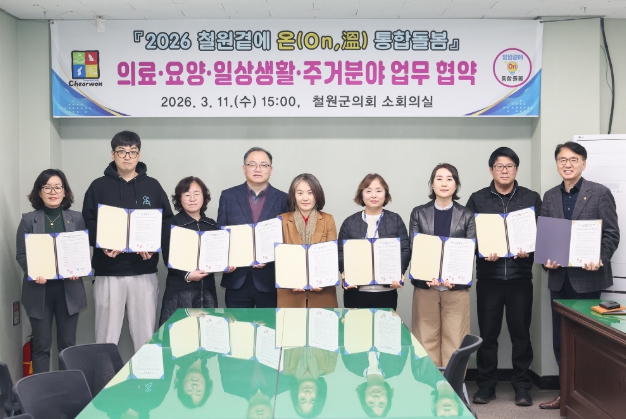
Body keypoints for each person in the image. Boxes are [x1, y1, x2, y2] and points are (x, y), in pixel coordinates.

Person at [538, 141, 620, 410]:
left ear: (583, 163)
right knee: (560, 340)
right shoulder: (550, 196)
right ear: (557, 164)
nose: (567, 164)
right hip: (558, 279)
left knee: (588, 341)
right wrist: (546, 262)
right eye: (562, 160)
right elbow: (545, 237)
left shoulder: (599, 193)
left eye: (573, 159)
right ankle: (565, 395)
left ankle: (589, 398)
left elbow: (611, 234)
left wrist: (599, 258)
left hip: (588, 279)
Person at [82, 131, 173, 353]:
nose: (127, 156)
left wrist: (152, 247)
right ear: (113, 154)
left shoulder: (152, 186)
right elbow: (87, 222)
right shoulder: (98, 186)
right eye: (121, 151)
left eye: (132, 152)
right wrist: (103, 243)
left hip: (144, 271)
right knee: (105, 339)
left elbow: (166, 222)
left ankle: (145, 377)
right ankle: (104, 377)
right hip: (108, 272)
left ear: (139, 155)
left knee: (146, 338)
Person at [465, 147, 541, 407]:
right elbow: (468, 236)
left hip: (521, 278)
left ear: (516, 169)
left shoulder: (531, 198)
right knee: (488, 335)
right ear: (491, 170)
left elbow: (541, 235)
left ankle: (522, 386)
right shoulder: (477, 199)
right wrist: (483, 250)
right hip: (489, 278)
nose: (505, 170)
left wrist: (529, 249)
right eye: (499, 166)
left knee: (521, 334)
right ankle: (486, 386)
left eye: (509, 166)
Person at [16, 169, 87, 373]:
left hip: (69, 290)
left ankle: (66, 388)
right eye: (47, 187)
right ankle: (42, 390)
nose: (53, 191)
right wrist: (34, 271)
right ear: (39, 192)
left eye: (57, 187)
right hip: (39, 291)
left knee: (67, 345)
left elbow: (81, 252)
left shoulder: (76, 218)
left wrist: (78, 269)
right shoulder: (28, 220)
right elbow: (21, 254)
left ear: (65, 192)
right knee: (41, 346)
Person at [409, 163, 476, 368]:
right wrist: (426, 275)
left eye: (449, 179)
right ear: (432, 184)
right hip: (426, 287)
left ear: (456, 185)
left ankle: (452, 386)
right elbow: (415, 248)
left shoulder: (467, 214)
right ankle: (429, 385)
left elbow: (469, 250)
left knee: (455, 341)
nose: (444, 183)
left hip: (455, 288)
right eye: (439, 178)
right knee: (425, 339)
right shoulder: (419, 213)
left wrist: (454, 277)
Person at [216, 147, 288, 308]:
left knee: (269, 324)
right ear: (244, 168)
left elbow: (287, 240)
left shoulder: (284, 199)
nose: (258, 169)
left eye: (263, 165)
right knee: (237, 324)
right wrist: (224, 261)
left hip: (270, 280)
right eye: (252, 164)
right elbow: (220, 234)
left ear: (270, 169)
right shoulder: (228, 196)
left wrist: (270, 257)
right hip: (236, 279)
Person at [338, 174, 410, 310]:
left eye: (378, 190)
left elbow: (404, 250)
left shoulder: (395, 220)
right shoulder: (349, 222)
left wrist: (398, 273)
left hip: (386, 291)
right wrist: (345, 271)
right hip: (356, 291)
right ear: (361, 194)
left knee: (385, 324)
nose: (374, 195)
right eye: (368, 191)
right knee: (356, 324)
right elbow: (341, 252)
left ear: (385, 194)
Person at [159, 176, 218, 326]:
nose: (192, 199)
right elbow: (167, 257)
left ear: (204, 197)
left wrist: (226, 264)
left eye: (197, 194)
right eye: (186, 195)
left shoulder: (212, 225)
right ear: (180, 199)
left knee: (207, 333)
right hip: (180, 290)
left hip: (207, 291)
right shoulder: (172, 224)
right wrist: (187, 275)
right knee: (180, 334)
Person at [278, 173, 338, 308]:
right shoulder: (282, 220)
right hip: (290, 290)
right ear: (293, 196)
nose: (305, 198)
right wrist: (290, 281)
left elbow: (330, 256)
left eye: (310, 193)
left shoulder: (328, 219)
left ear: (317, 195)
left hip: (322, 290)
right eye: (300, 193)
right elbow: (280, 258)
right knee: (292, 322)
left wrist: (323, 281)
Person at [283, 347, 336, 417]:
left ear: (296, 394)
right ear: (319, 394)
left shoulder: (284, 367)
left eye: (303, 399)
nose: (307, 393)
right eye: (312, 399)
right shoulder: (330, 366)